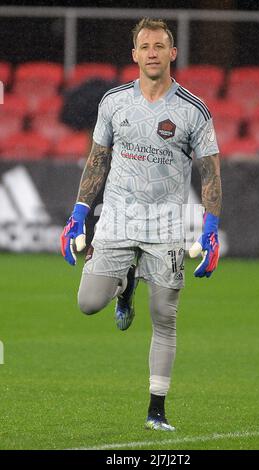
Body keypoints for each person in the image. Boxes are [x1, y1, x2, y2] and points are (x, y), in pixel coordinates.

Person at [61, 17, 222, 432]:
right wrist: (79, 213)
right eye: (144, 46)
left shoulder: (193, 110)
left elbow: (210, 173)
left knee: (164, 315)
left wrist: (210, 227)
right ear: (135, 55)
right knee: (88, 303)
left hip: (167, 223)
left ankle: (156, 410)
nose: (152, 53)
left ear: (173, 53)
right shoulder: (114, 102)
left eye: (159, 46)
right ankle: (124, 283)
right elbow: (97, 160)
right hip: (117, 216)